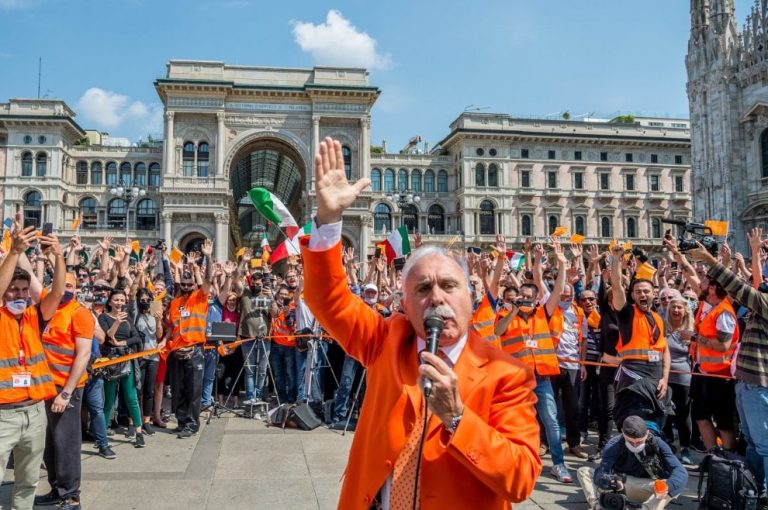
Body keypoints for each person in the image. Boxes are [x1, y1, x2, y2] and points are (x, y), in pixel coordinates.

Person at [302, 137, 541, 508]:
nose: (437, 298)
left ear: (471, 296)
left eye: (449, 286)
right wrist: (330, 219)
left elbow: (521, 477)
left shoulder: (507, 374)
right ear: (404, 304)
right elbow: (326, 298)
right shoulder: (385, 338)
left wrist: (458, 417)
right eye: (423, 288)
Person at [494, 243, 573, 483]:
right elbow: (498, 331)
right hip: (517, 379)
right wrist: (513, 310)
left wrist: (561, 264)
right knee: (515, 422)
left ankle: (558, 464)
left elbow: (558, 291)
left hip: (541, 378)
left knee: (551, 421)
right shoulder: (505, 314)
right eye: (523, 297)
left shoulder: (543, 313)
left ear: (537, 299)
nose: (526, 300)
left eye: (530, 297)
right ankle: (513, 462)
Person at [0, 218, 64, 510]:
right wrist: (14, 252)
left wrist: (59, 258)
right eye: (14, 290)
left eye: (25, 290)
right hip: (3, 416)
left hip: (34, 412)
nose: (21, 295)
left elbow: (57, 294)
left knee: (27, 483)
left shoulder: (33, 316)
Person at [36, 273, 94, 509]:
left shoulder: (79, 313)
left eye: (70, 285)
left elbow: (83, 355)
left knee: (66, 443)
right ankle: (56, 488)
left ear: (76, 289)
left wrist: (67, 392)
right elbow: (30, 277)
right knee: (50, 442)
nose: (65, 289)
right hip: (46, 387)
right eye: (62, 285)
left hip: (66, 388)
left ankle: (71, 495)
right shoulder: (48, 308)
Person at [577, 415, 688, 510]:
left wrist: (667, 487)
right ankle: (598, 505)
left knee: (672, 484)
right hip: (623, 485)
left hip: (650, 489)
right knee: (584, 471)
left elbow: (681, 472)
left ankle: (647, 508)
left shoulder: (657, 443)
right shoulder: (613, 445)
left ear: (647, 433)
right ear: (622, 433)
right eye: (630, 441)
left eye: (639, 441)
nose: (635, 445)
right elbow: (601, 472)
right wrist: (610, 482)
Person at [168, 241, 213, 438]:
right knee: (178, 390)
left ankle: (192, 424)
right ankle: (181, 420)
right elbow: (172, 327)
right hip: (177, 353)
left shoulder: (199, 298)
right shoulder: (175, 303)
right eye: (183, 284)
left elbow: (208, 280)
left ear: (193, 285)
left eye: (189, 285)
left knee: (194, 391)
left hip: (195, 352)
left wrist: (207, 258)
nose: (186, 287)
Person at [691, 275, 739, 451]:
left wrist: (695, 337)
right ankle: (713, 458)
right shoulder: (712, 309)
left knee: (724, 423)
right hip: (704, 372)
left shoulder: (724, 312)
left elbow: (723, 345)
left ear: (712, 288)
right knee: (701, 416)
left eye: (703, 282)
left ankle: (729, 462)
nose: (699, 284)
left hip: (721, 376)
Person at [98, 289, 146, 447]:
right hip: (110, 362)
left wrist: (122, 343)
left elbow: (136, 337)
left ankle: (139, 432)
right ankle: (103, 436)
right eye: (116, 300)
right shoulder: (103, 317)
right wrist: (117, 321)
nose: (119, 303)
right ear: (110, 301)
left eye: (122, 300)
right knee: (109, 400)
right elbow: (106, 337)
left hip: (126, 360)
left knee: (131, 397)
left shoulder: (128, 318)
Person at [661, 296, 695, 466]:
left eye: (679, 308)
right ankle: (667, 444)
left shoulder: (691, 330)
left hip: (683, 376)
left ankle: (685, 448)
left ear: (685, 311)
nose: (675, 310)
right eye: (673, 307)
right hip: (664, 375)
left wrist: (693, 339)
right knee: (665, 412)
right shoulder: (662, 327)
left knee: (683, 414)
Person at [269, 286, 297, 404]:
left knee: (290, 374)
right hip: (275, 346)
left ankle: (291, 398)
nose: (283, 296)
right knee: (278, 374)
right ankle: (282, 398)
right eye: (281, 294)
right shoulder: (274, 308)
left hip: (289, 346)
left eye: (286, 295)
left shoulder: (292, 308)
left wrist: (286, 315)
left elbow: (291, 326)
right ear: (277, 295)